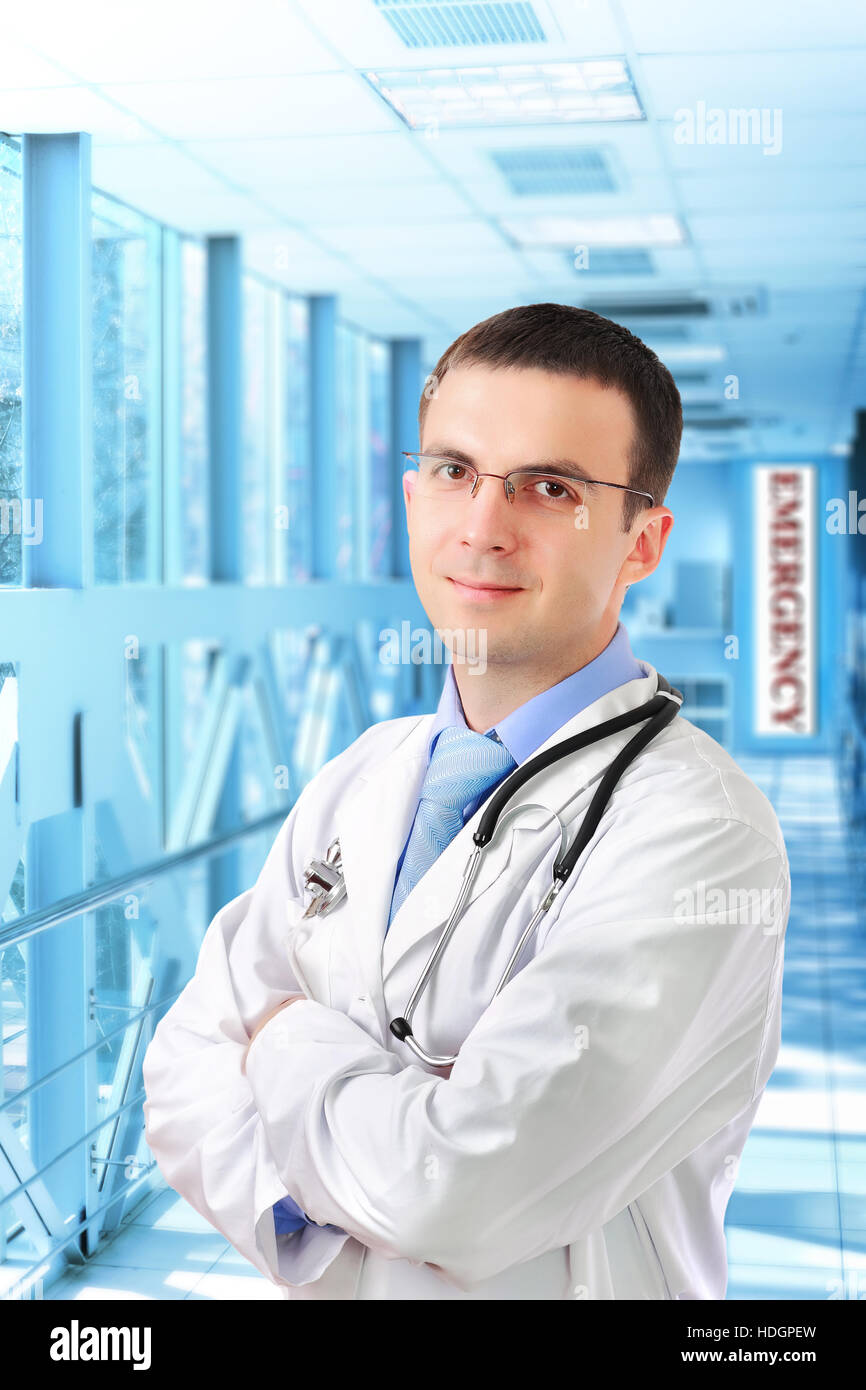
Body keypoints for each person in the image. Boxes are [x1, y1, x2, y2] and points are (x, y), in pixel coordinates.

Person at [142, 303, 790, 1300]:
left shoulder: (698, 832)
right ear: (411, 498)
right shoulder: (361, 775)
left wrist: (281, 1037)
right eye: (453, 471)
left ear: (641, 542)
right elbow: (184, 1071)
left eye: (547, 487)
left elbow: (455, 1194)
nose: (483, 527)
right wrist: (335, 1227)